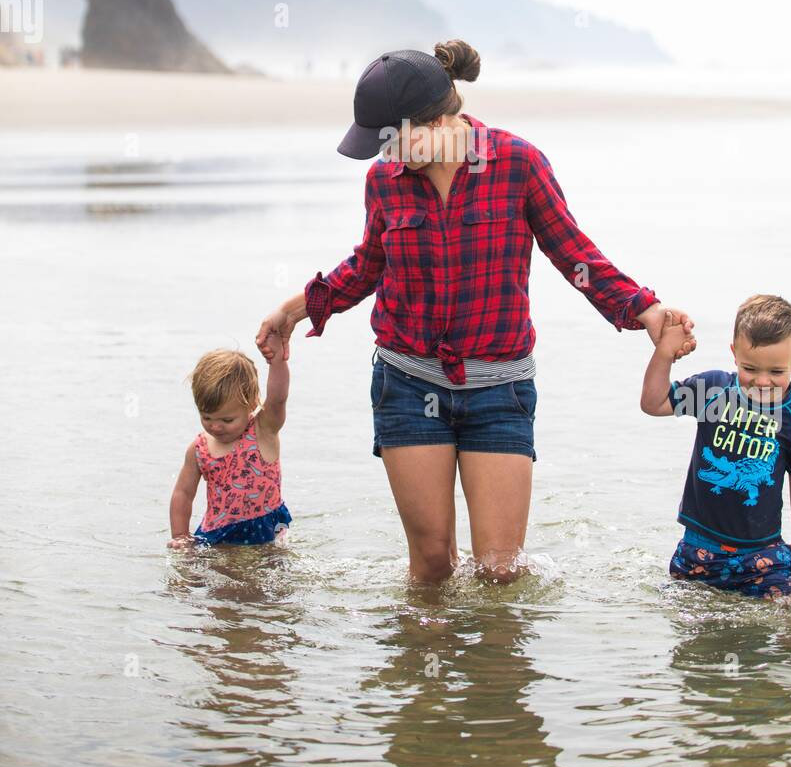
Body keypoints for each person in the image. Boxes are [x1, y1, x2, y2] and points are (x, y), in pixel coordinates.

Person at [257, 39, 696, 584]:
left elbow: (574, 253)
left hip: (499, 390)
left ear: (438, 120)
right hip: (407, 384)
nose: (385, 156)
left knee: (499, 573)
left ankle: (492, 668)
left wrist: (645, 310)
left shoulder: (518, 163)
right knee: (433, 568)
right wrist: (293, 311)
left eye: (391, 141)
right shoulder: (384, 184)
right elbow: (367, 267)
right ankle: (422, 666)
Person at [641, 293, 791, 599]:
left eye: (776, 372)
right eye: (751, 369)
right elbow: (653, 403)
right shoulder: (713, 391)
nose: (763, 382)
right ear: (734, 354)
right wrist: (665, 353)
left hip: (763, 554)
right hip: (699, 548)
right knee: (692, 630)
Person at [168, 339, 292, 548]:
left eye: (227, 420)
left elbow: (278, 398)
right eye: (207, 417)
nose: (215, 427)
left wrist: (278, 360)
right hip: (219, 535)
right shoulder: (199, 449)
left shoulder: (263, 430)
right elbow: (183, 493)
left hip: (265, 531)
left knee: (270, 575)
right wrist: (180, 535)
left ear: (251, 404)